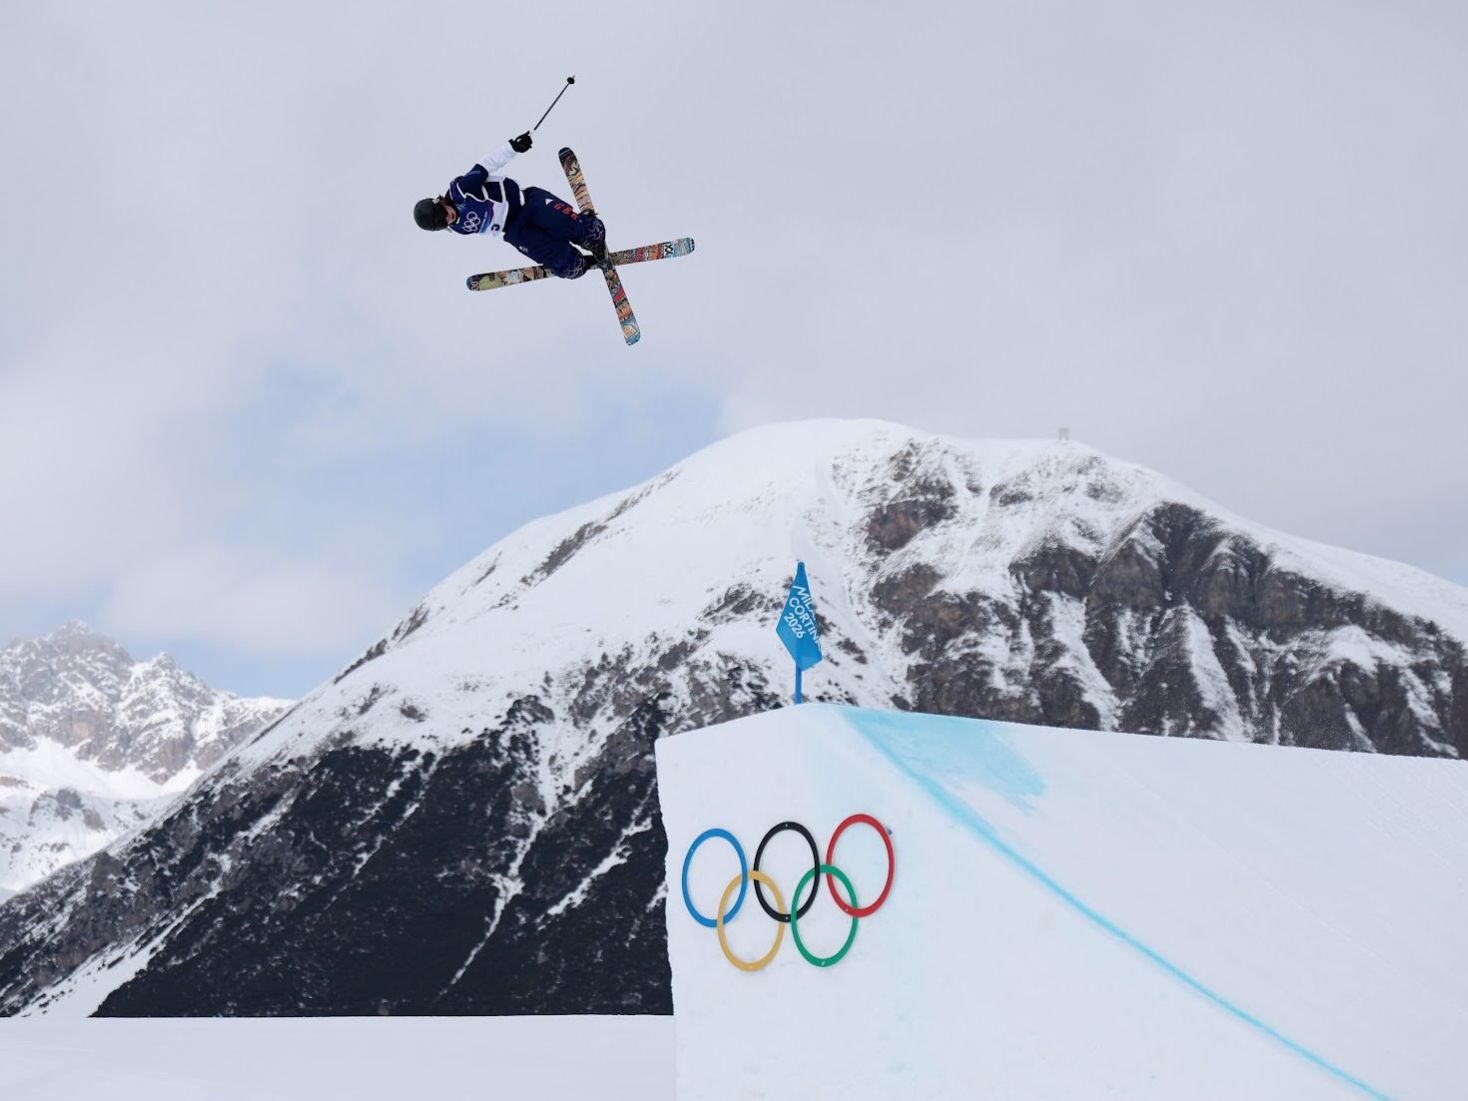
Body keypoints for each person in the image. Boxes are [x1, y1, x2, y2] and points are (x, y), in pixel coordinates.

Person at [413, 132, 606, 279]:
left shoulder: (462, 191)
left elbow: (485, 164)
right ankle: (572, 262)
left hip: (527, 203)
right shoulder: (459, 228)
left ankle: (587, 232)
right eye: (443, 222)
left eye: (443, 212)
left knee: (562, 222)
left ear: (440, 202)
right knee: (551, 253)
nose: (449, 217)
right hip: (514, 230)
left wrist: (512, 148)